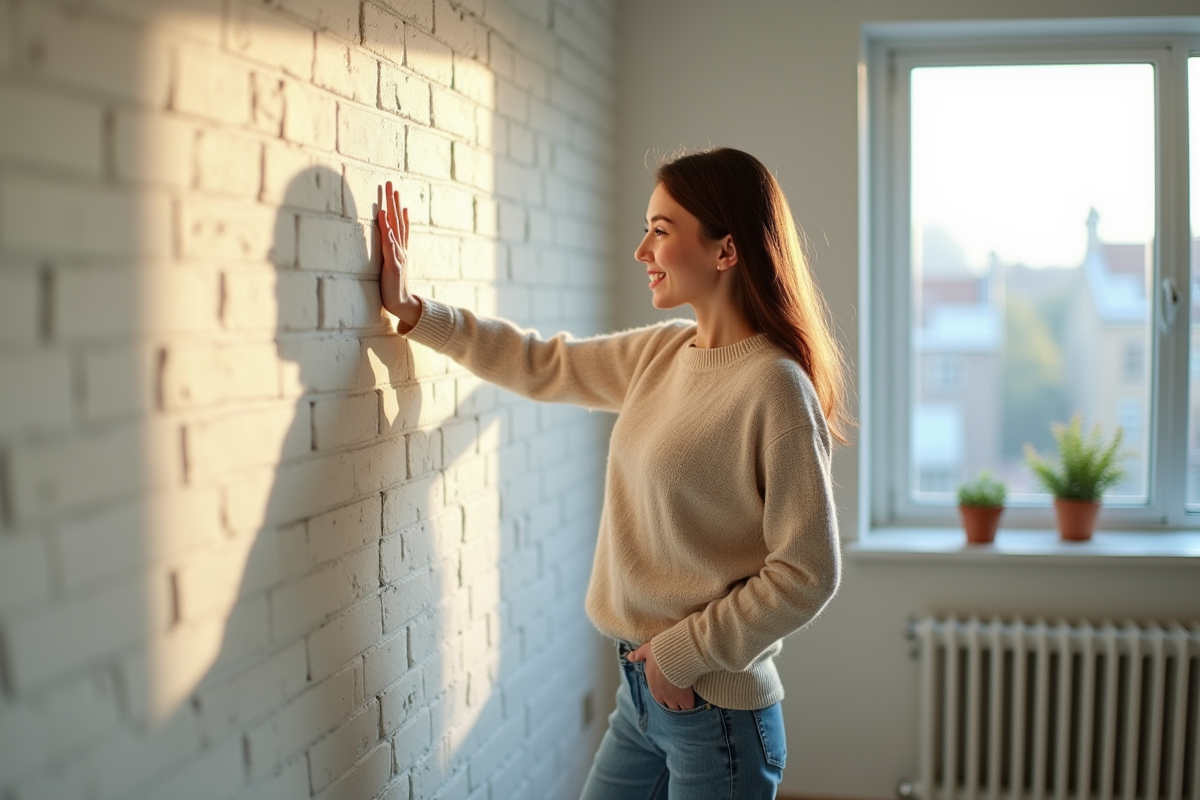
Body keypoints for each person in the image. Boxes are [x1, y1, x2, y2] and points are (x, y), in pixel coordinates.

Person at [378, 147, 849, 799]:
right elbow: (543, 362)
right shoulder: (662, 352)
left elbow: (808, 571)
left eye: (661, 231)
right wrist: (414, 312)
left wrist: (682, 656)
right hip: (644, 694)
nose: (641, 251)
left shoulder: (774, 386)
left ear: (725, 251)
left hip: (713, 713)